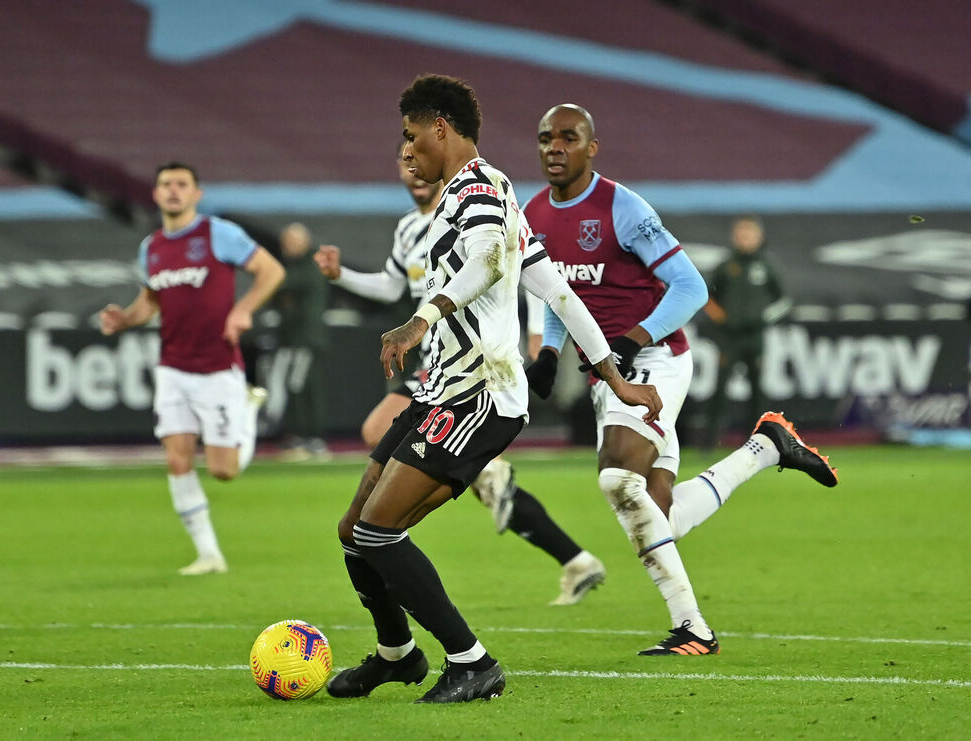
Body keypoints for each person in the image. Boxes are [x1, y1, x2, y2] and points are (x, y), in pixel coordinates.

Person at [326, 76, 660, 704]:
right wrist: (614, 375)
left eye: (411, 135)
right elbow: (558, 291)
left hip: (478, 397)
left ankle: (472, 663)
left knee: (377, 532)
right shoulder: (474, 194)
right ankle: (397, 655)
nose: (406, 149)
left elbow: (483, 261)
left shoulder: (479, 190)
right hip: (440, 392)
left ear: (441, 128)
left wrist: (423, 317)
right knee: (355, 532)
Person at [523, 104, 839, 657]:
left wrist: (633, 339)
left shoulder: (623, 208)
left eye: (568, 137)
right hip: (608, 373)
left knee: (618, 480)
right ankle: (765, 449)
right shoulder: (533, 214)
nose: (555, 146)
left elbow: (691, 287)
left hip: (655, 359)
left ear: (591, 148)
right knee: (657, 513)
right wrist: (550, 351)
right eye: (546, 137)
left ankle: (693, 628)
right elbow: (559, 293)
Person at [315, 142, 610, 607]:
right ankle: (572, 557)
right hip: (434, 360)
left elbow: (519, 267)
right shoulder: (409, 228)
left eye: (417, 153)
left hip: (471, 366)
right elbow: (392, 286)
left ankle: (437, 631)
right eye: (403, 160)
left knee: (383, 461)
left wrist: (538, 341)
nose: (412, 168)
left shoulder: (476, 205)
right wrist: (342, 277)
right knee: (434, 472)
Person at [98, 162, 284, 576]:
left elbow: (271, 270)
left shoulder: (218, 233)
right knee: (177, 459)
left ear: (196, 194)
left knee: (223, 470)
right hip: (173, 367)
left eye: (182, 184)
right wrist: (125, 319)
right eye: (166, 184)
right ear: (155, 194)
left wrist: (243, 309)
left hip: (217, 367)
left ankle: (248, 408)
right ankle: (208, 554)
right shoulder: (152, 247)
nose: (173, 190)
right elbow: (150, 301)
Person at [701, 214, 791, 449]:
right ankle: (710, 441)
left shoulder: (767, 265)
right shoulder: (725, 266)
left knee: (757, 390)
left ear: (759, 236)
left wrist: (763, 318)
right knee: (720, 387)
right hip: (729, 337)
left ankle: (757, 440)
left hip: (755, 336)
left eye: (750, 233)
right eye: (741, 233)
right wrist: (721, 318)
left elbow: (783, 301)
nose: (745, 238)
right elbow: (707, 296)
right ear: (734, 236)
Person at [271, 222, 330, 462]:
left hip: (306, 338)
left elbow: (283, 286)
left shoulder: (309, 266)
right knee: (295, 386)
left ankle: (311, 438)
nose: (287, 246)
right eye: (286, 242)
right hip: (295, 338)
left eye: (292, 241)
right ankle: (299, 436)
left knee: (304, 386)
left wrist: (281, 293)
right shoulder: (295, 265)